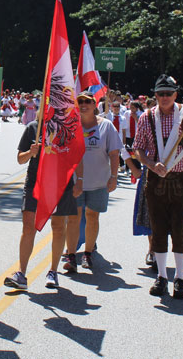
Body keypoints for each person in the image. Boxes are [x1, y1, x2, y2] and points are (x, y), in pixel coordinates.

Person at [134, 75, 183, 299]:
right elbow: (138, 149)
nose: (164, 97)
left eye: (168, 93)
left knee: (179, 228)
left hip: (182, 180)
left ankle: (179, 278)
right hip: (156, 180)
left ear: (176, 94)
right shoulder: (146, 117)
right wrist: (149, 165)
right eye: (160, 93)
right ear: (155, 95)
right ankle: (161, 277)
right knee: (158, 228)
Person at [4, 120, 83, 290]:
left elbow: (77, 155)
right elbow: (20, 159)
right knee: (28, 227)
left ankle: (53, 271)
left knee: (59, 227)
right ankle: (21, 273)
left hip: (61, 184)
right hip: (35, 184)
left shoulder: (68, 127)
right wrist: (30, 152)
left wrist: (80, 180)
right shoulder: (33, 127)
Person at [64, 91, 122, 271]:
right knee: (73, 218)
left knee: (92, 217)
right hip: (74, 183)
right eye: (80, 101)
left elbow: (114, 154)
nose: (83, 105)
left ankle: (88, 254)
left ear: (95, 104)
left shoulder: (106, 126)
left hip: (99, 182)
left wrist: (114, 177)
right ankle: (71, 256)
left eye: (87, 101)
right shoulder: (71, 126)